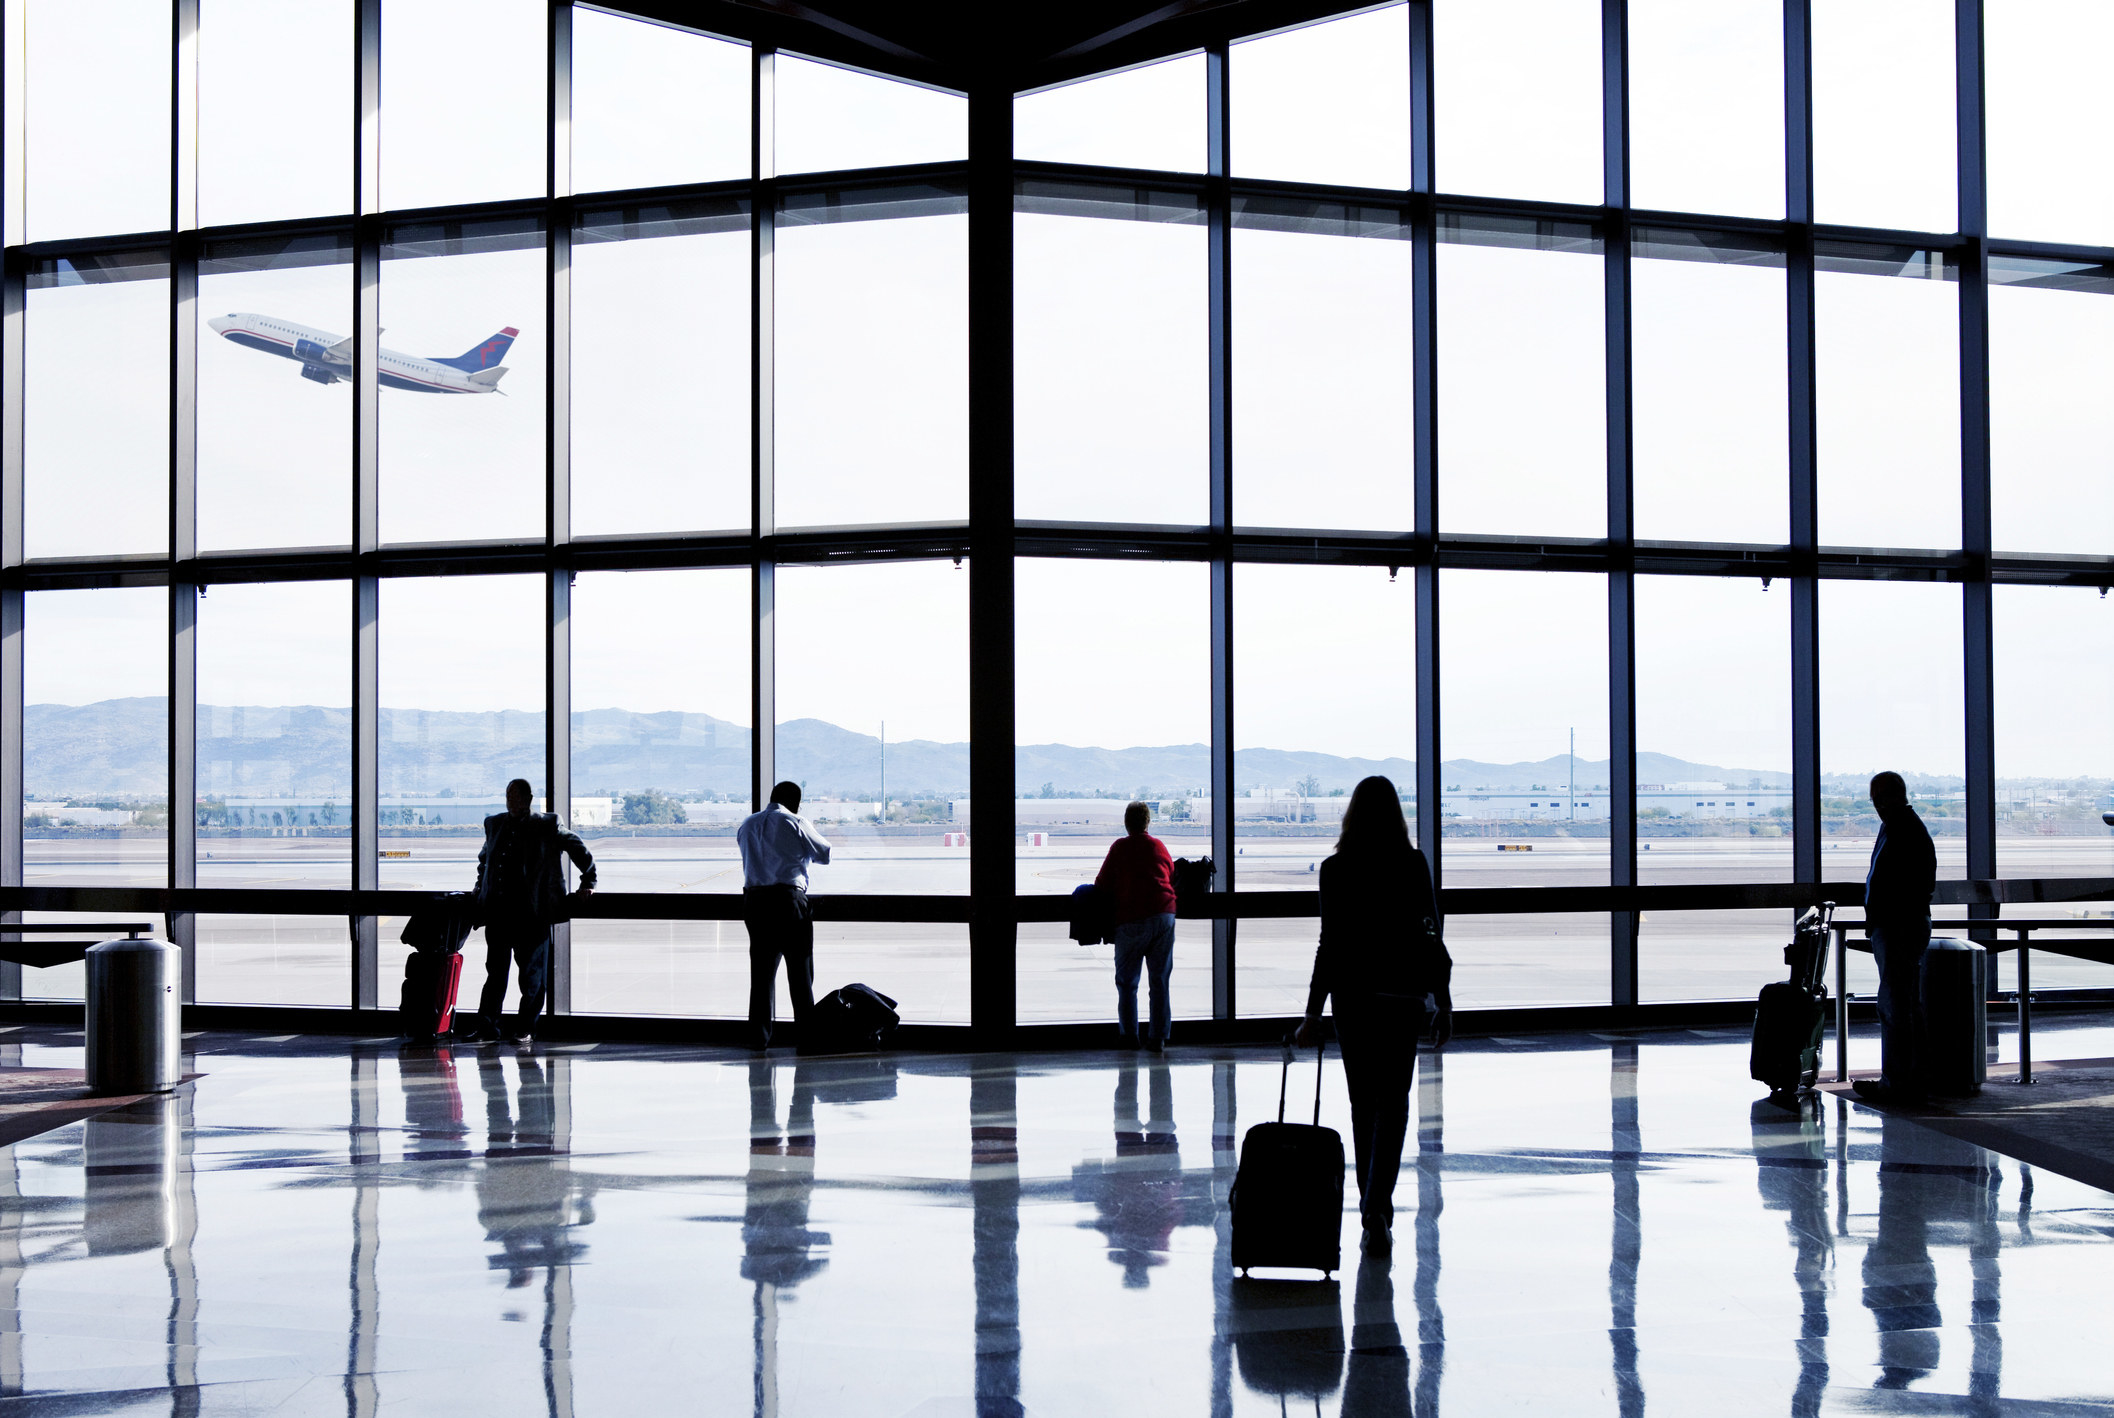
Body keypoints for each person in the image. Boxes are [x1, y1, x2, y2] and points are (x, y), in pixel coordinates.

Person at [1295, 775, 1451, 1255]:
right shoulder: (1412, 864)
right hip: (1401, 1000)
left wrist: (1311, 1015)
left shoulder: (1335, 869)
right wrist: (1443, 999)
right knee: (1395, 1103)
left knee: (1364, 1105)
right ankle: (1377, 1206)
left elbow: (1330, 945)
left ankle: (1371, 1207)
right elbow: (1429, 935)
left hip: (1353, 1001)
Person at [465, 778, 596, 1046]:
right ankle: (488, 1026)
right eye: (508, 796)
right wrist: (480, 886)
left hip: (531, 916)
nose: (510, 801)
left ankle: (526, 1028)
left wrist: (588, 881)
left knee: (532, 978)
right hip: (498, 915)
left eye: (516, 796)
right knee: (495, 975)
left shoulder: (547, 825)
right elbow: (485, 860)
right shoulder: (494, 824)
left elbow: (578, 848)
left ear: (529, 799)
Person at [1854, 770, 1937, 1105]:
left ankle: (1897, 1083)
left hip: (1898, 928)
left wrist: (1880, 919)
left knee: (1895, 1006)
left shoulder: (1902, 830)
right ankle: (1909, 1079)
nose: (1875, 806)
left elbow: (1903, 885)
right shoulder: (1901, 826)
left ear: (1890, 796)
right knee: (1904, 1004)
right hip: (1900, 926)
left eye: (1878, 798)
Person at [737, 781, 832, 1051]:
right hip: (788, 901)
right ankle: (806, 1039)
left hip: (754, 901)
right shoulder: (796, 821)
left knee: (762, 975)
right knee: (800, 974)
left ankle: (758, 1038)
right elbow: (824, 853)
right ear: (797, 801)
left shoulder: (747, 824)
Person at [1095, 801, 1178, 1052]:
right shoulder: (1158, 845)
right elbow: (1170, 874)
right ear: (1148, 822)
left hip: (1131, 918)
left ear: (1126, 822)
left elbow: (1102, 884)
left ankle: (1129, 1036)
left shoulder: (1120, 847)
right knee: (1159, 981)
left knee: (1128, 982)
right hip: (1164, 915)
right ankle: (1158, 1038)